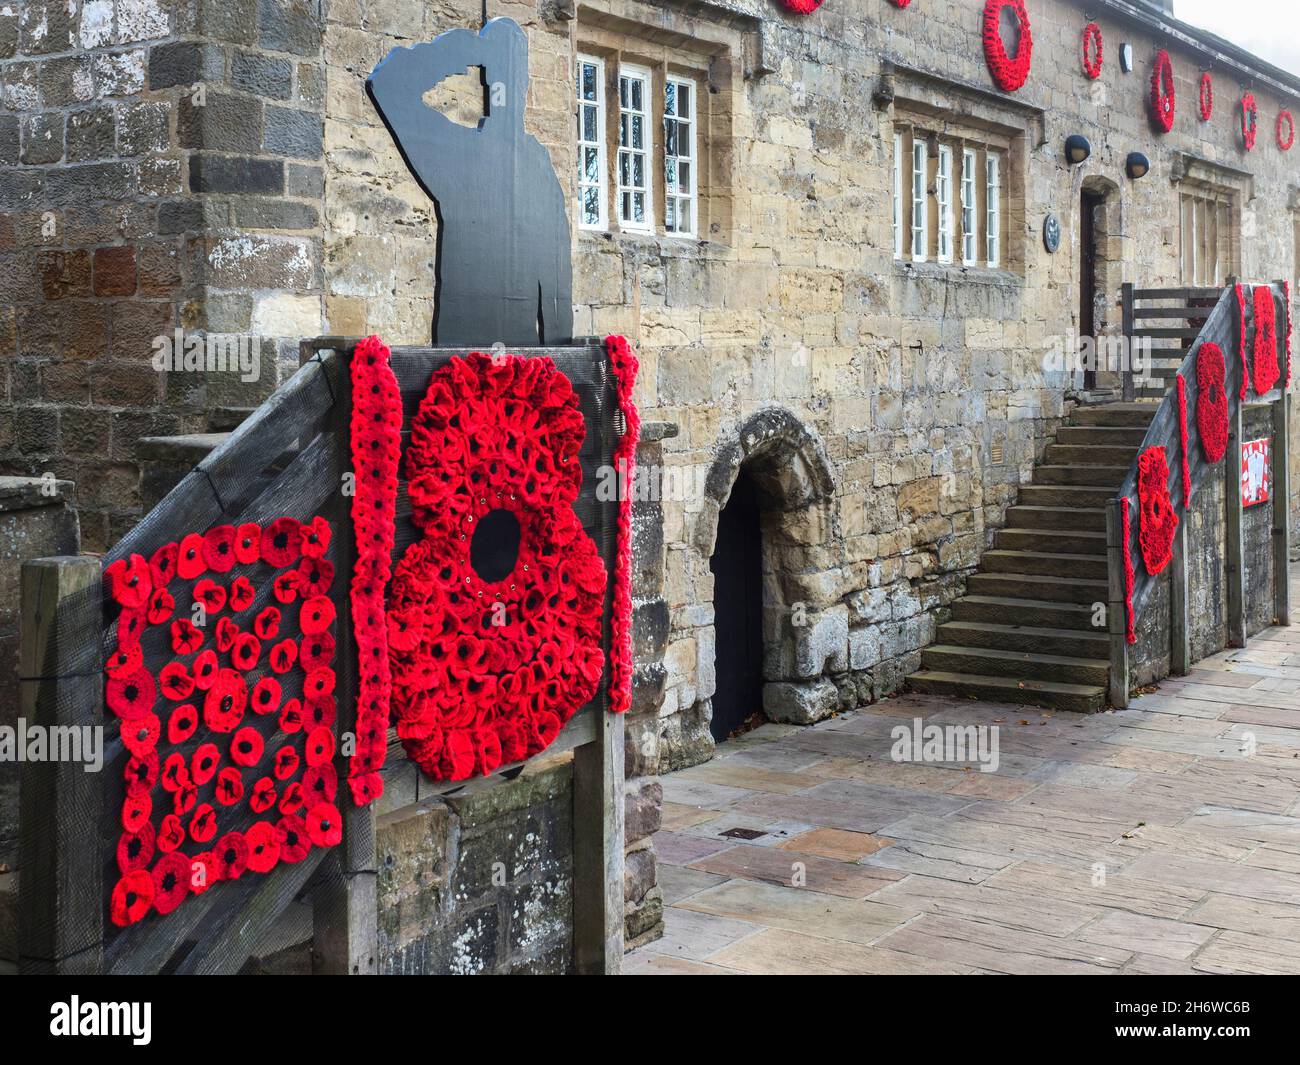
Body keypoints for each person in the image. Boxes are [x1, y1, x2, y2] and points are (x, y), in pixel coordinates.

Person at [368, 18, 574, 347]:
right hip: (462, 361)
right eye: (503, 75)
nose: (512, 90)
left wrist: (561, 369)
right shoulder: (456, 152)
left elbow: (556, 284)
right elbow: (389, 84)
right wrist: (463, 48)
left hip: (525, 362)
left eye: (517, 76)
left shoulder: (539, 165)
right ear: (488, 80)